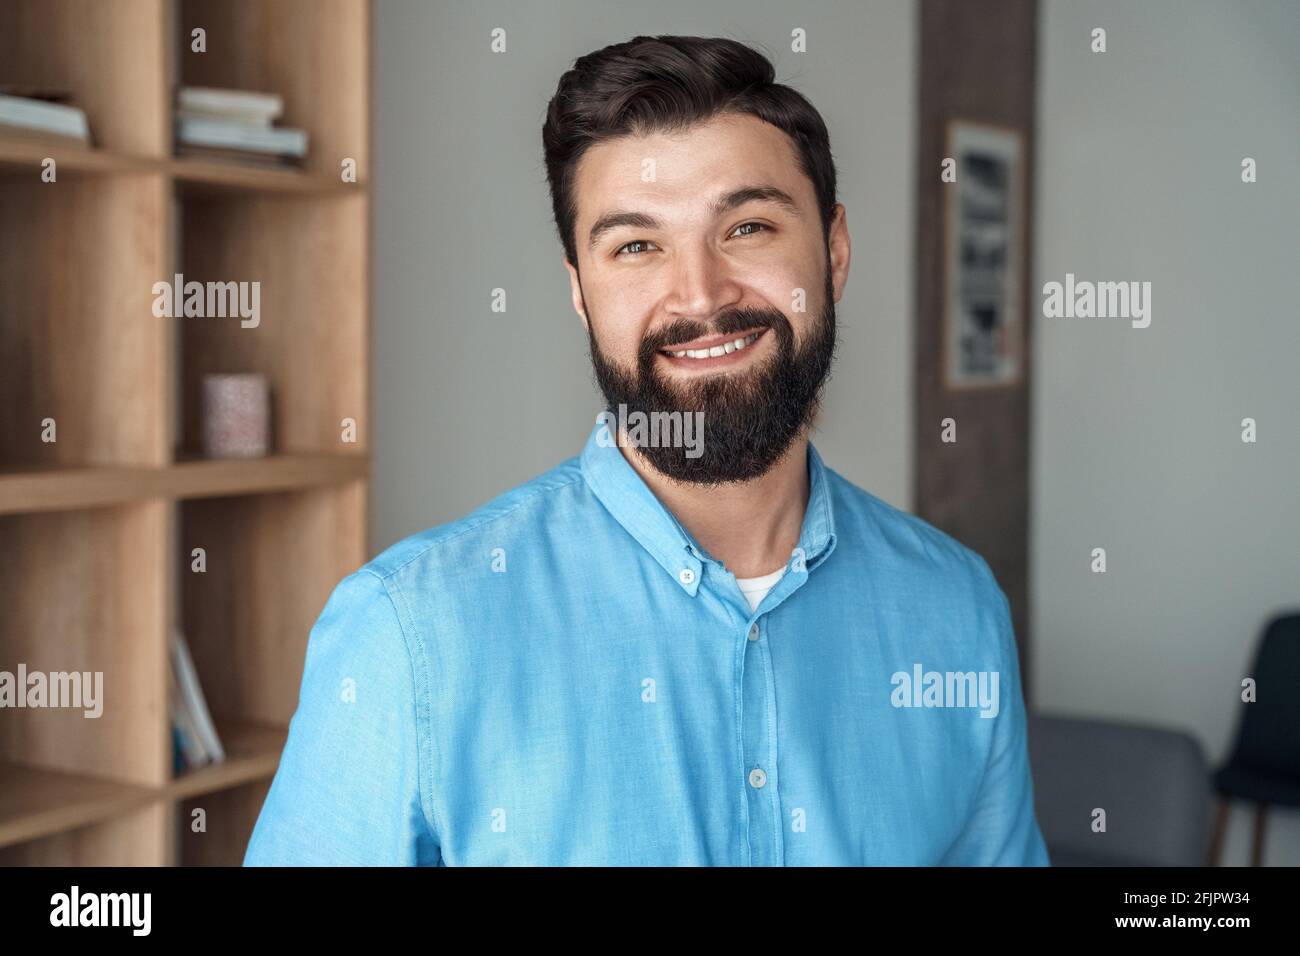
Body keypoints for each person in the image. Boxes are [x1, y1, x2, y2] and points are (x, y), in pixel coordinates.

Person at [244, 34, 1050, 866]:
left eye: (748, 226)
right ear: (580, 293)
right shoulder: (408, 634)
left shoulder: (958, 612)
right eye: (636, 245)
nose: (700, 294)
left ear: (834, 251)